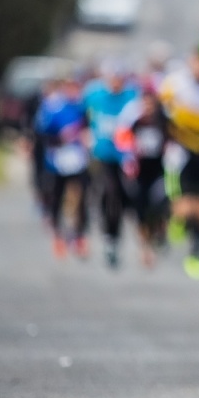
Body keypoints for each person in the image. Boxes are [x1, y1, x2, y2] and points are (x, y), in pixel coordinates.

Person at [158, 51, 199, 280]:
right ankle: (175, 222)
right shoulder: (174, 85)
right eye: (198, 63)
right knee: (185, 206)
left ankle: (196, 254)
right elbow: (161, 116)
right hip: (182, 152)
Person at [83, 59, 140, 269]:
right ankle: (109, 238)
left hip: (126, 158)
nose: (116, 83)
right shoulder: (94, 95)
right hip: (103, 155)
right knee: (109, 193)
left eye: (119, 79)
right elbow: (82, 116)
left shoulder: (132, 97)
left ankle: (115, 234)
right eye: (112, 78)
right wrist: (85, 133)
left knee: (125, 198)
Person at [34, 76, 92, 259]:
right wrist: (60, 136)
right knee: (57, 197)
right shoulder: (53, 107)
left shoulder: (82, 108)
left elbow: (88, 128)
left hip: (78, 159)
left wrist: (85, 137)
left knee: (81, 196)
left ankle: (79, 234)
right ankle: (59, 235)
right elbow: (41, 130)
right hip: (57, 160)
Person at [113, 88, 170, 268]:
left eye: (150, 104)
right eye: (144, 104)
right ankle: (145, 247)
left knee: (160, 204)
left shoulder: (163, 121)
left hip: (159, 170)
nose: (148, 108)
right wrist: (129, 157)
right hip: (139, 172)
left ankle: (159, 231)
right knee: (141, 209)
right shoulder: (134, 122)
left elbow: (173, 140)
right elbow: (121, 141)